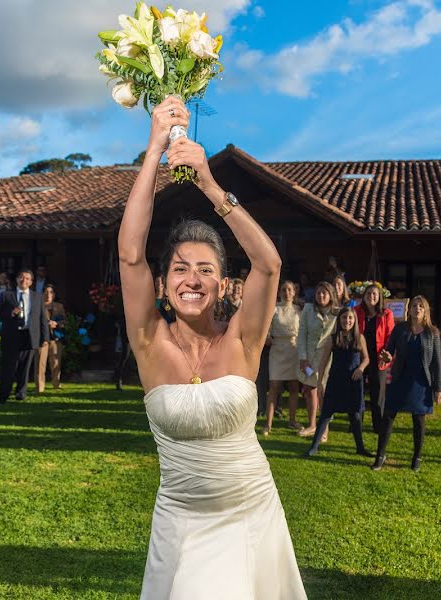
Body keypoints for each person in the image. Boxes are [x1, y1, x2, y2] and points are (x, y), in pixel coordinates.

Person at [117, 96, 306, 599]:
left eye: (206, 270)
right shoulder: (149, 342)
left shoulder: (244, 339)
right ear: (162, 284)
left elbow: (267, 265)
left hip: (250, 514)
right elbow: (130, 254)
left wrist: (207, 183)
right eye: (180, 269)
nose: (192, 280)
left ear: (223, 285)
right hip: (180, 524)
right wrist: (155, 149)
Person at [373, 296, 441, 472]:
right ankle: (380, 455)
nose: (417, 309)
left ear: (426, 310)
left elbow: (436, 362)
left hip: (421, 381)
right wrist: (387, 356)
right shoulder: (400, 329)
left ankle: (417, 457)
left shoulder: (432, 333)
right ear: (409, 309)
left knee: (418, 420)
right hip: (400, 378)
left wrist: (439, 388)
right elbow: (389, 349)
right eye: (414, 306)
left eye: (421, 306)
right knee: (388, 416)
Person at [304, 307, 373, 457]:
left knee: (355, 416)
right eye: (344, 318)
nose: (347, 321)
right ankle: (313, 447)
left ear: (354, 320)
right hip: (336, 380)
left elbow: (367, 358)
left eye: (350, 318)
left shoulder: (359, 338)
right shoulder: (333, 338)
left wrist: (361, 368)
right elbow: (323, 362)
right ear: (339, 320)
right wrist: (320, 382)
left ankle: (360, 447)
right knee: (326, 414)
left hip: (354, 381)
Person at [0, 269, 49, 404]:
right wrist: (11, 313)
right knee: (9, 366)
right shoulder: (7, 295)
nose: (24, 281)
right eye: (21, 278)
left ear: (31, 282)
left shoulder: (37, 297)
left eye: (27, 279)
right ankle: (3, 394)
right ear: (17, 279)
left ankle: (21, 393)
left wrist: (45, 338)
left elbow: (43, 318)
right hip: (11, 335)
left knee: (25, 367)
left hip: (29, 335)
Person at [297, 281, 339, 438]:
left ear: (331, 295)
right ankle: (312, 425)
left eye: (325, 293)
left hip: (327, 358)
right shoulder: (308, 309)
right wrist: (302, 358)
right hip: (308, 355)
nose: (321, 295)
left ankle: (324, 428)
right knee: (309, 391)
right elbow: (302, 334)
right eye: (318, 293)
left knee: (323, 392)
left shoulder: (337, 312)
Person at [354, 283, 395, 434]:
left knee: (378, 393)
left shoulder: (386, 314)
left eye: (374, 294)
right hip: (360, 357)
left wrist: (387, 353)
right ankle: (356, 424)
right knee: (358, 391)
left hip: (379, 357)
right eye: (368, 294)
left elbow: (391, 336)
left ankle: (378, 425)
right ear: (363, 297)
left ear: (379, 298)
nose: (371, 297)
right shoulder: (356, 311)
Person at [264, 281, 302, 435]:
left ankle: (292, 420)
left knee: (294, 387)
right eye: (284, 290)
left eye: (289, 290)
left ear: (294, 292)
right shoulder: (273, 309)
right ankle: (268, 424)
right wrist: (267, 336)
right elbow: (265, 327)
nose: (286, 292)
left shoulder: (299, 310)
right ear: (280, 292)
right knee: (274, 387)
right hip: (277, 350)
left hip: (294, 350)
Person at [35, 284, 65, 393]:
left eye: (51, 292)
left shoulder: (59, 306)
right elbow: (33, 321)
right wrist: (46, 323)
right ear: (42, 294)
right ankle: (40, 387)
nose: (48, 294)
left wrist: (56, 323)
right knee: (40, 363)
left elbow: (65, 321)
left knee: (56, 362)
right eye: (46, 292)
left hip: (55, 337)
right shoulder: (37, 306)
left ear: (54, 294)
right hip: (42, 337)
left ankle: (56, 384)